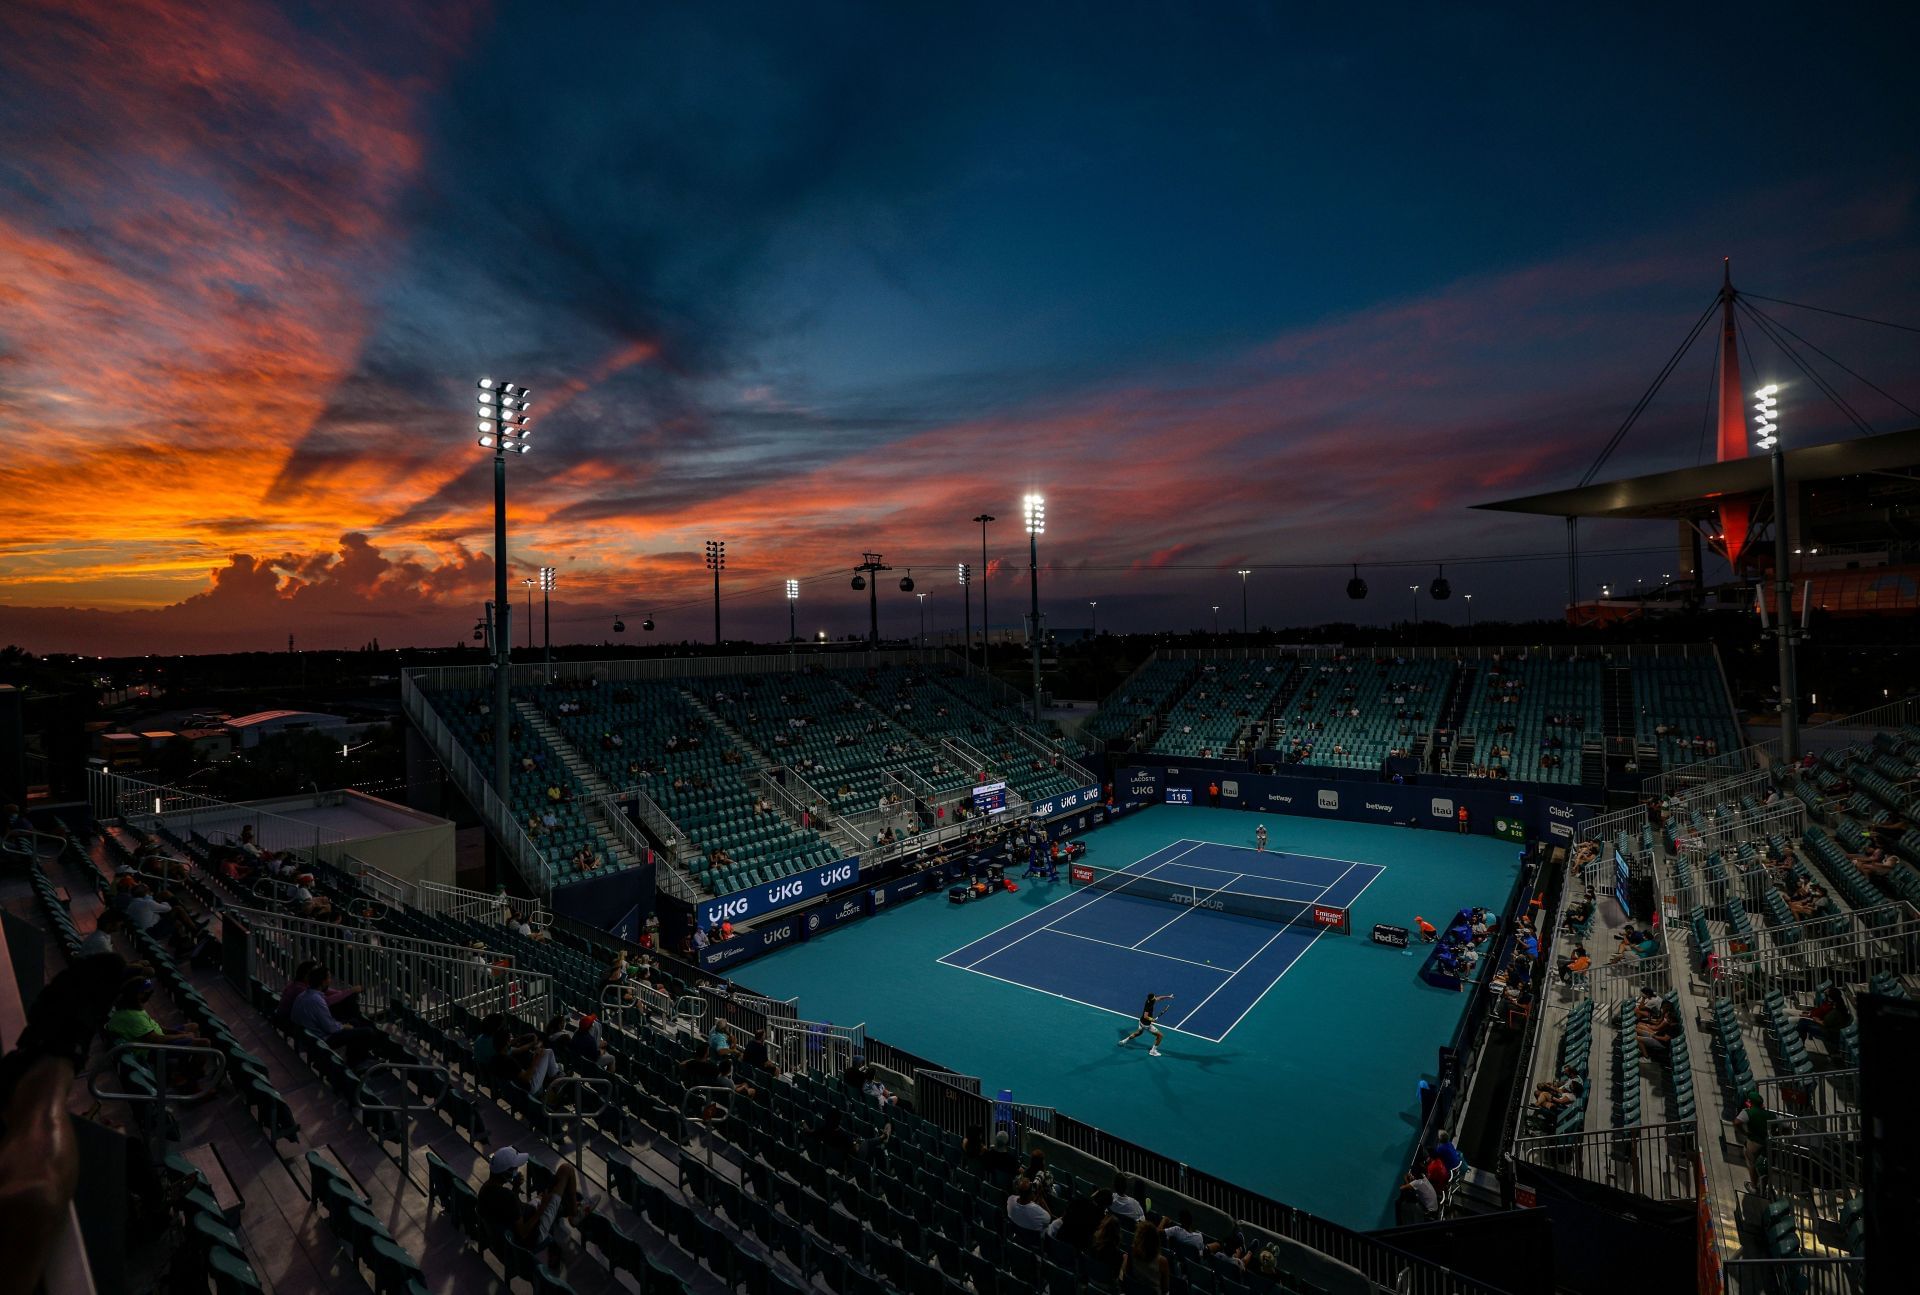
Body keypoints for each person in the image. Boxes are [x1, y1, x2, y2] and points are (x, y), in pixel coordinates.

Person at [477, 1146, 595, 1265]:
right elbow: (523, 1233)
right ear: (506, 1172)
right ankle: (574, 1214)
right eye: (515, 1168)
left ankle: (569, 1206)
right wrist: (542, 1208)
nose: (517, 1169)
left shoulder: (485, 1190)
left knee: (550, 1191)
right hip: (535, 1232)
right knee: (566, 1169)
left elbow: (509, 1209)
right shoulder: (508, 1197)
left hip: (523, 1216)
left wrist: (516, 1187)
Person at [291, 968, 385, 1067]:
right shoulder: (317, 1000)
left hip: (310, 1035)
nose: (330, 981)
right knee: (367, 1031)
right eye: (329, 978)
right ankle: (356, 1063)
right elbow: (330, 1028)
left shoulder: (302, 996)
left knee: (354, 1022)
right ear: (323, 982)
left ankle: (357, 1057)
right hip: (321, 1039)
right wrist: (344, 1026)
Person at [1118, 1214, 1171, 1293]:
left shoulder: (1132, 1252)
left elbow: (1124, 1277)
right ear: (1155, 1240)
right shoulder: (1162, 1261)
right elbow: (1165, 1290)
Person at [1119, 992, 1174, 1057]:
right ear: (1151, 999)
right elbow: (1145, 1016)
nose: (1155, 998)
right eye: (1154, 997)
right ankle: (1152, 1051)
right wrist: (1152, 1019)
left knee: (1138, 1033)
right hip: (1146, 1025)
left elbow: (1159, 998)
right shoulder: (1148, 1006)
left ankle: (1124, 1041)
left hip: (1141, 1021)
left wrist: (1168, 996)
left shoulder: (1150, 1000)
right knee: (1160, 1036)